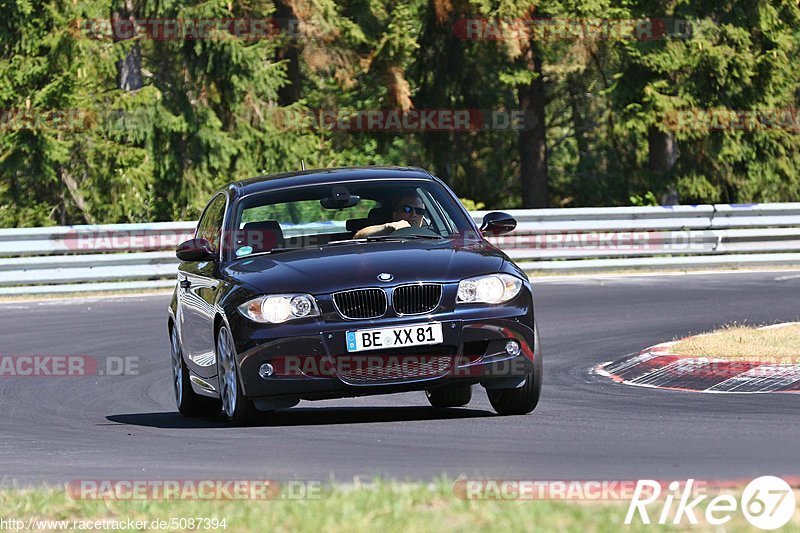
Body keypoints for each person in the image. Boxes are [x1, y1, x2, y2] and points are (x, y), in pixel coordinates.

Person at [354, 191, 427, 238]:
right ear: (394, 214)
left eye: (419, 211)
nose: (414, 214)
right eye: (406, 209)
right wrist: (389, 228)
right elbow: (359, 237)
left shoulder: (432, 238)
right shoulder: (384, 235)